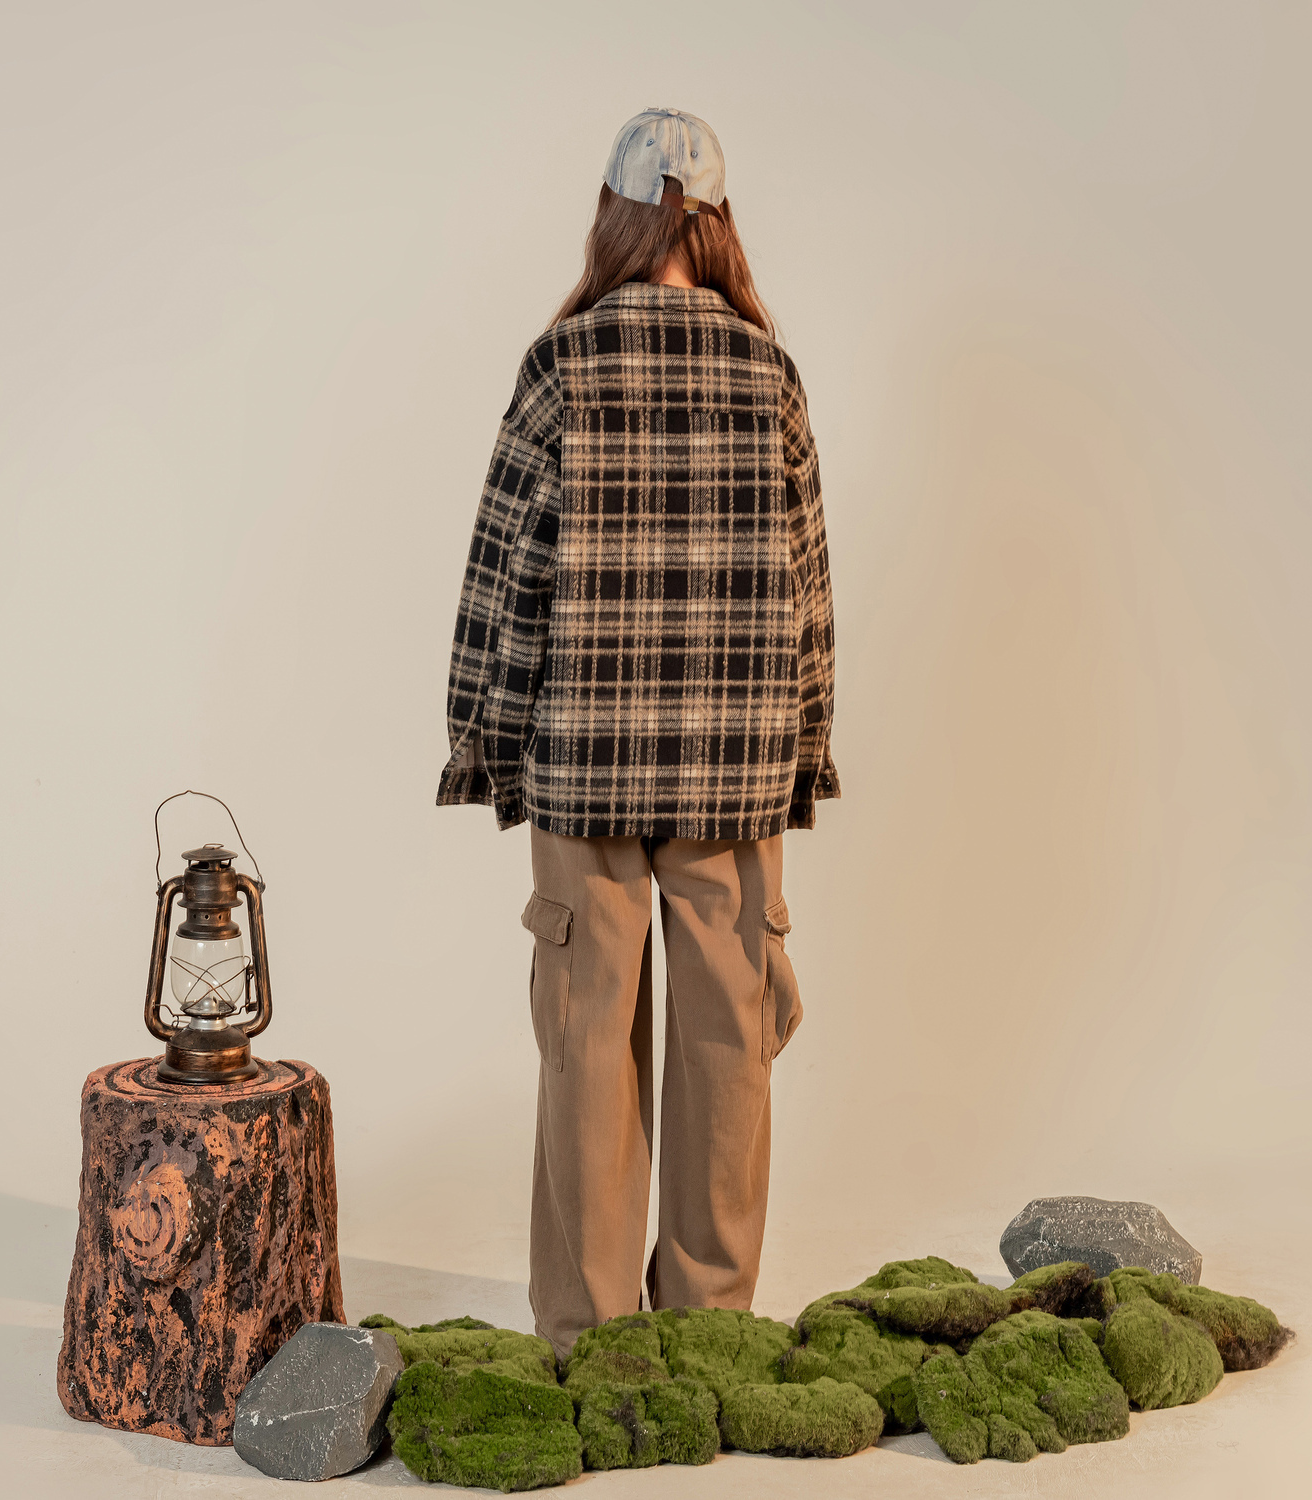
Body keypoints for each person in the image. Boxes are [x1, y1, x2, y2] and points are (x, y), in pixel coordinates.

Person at [436, 107, 838, 1359]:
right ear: (715, 223)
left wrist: (487, 736)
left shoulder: (562, 364)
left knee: (587, 1043)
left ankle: (591, 1334)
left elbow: (505, 573)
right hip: (734, 768)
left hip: (585, 763)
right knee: (730, 1044)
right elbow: (809, 589)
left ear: (615, 215)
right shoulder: (768, 372)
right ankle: (712, 1327)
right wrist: (803, 747)